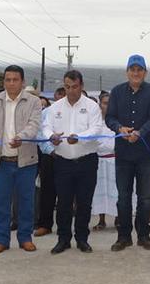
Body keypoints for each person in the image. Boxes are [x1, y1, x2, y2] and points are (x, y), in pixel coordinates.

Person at [0, 65, 42, 254]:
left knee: (26, 202)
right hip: (1, 161)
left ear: (22, 82)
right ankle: (1, 240)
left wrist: (22, 136)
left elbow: (34, 125)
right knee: (1, 203)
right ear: (4, 81)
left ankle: (25, 238)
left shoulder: (33, 102)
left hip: (26, 161)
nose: (11, 83)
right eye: (8, 79)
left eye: (15, 80)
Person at [42, 70, 104, 254]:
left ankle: (82, 239)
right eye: (67, 87)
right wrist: (50, 136)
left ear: (81, 86)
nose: (71, 91)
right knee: (63, 203)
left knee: (84, 203)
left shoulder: (92, 107)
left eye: (75, 87)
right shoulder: (56, 107)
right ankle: (63, 239)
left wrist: (80, 137)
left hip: (87, 162)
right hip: (63, 162)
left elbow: (97, 128)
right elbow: (46, 127)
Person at [105, 54, 150, 252]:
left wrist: (140, 132)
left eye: (139, 70)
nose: (136, 73)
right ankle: (124, 236)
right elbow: (109, 117)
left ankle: (144, 235)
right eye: (132, 69)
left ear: (145, 72)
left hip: (145, 153)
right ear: (127, 72)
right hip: (123, 153)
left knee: (146, 197)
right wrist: (119, 128)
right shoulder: (117, 92)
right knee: (123, 197)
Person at [92, 92, 118, 230]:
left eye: (109, 103)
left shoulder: (118, 123)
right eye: (104, 103)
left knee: (116, 191)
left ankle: (118, 218)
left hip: (115, 162)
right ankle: (101, 220)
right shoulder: (96, 123)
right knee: (99, 190)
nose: (107, 106)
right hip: (99, 162)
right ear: (100, 104)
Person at [34, 97, 57, 237]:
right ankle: (45, 225)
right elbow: (40, 134)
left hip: (70, 156)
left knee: (67, 194)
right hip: (49, 156)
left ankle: (64, 226)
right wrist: (51, 150)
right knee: (47, 192)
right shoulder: (46, 113)